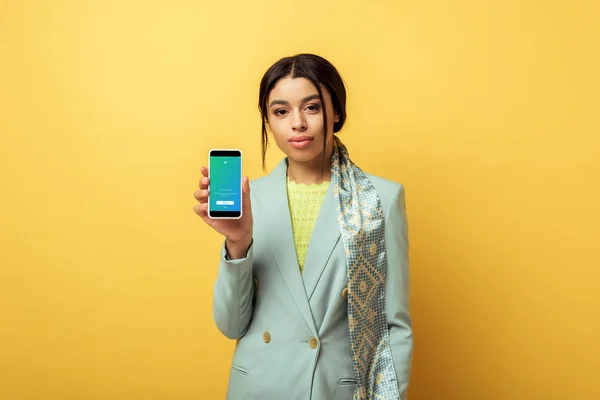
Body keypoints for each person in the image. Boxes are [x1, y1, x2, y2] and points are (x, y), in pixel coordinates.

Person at [193, 54, 413, 400]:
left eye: (311, 107)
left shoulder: (379, 199)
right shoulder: (251, 200)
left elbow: (394, 326)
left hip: (334, 390)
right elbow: (231, 326)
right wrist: (238, 243)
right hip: (259, 387)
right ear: (268, 121)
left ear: (336, 112)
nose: (297, 123)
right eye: (281, 112)